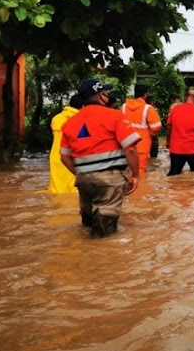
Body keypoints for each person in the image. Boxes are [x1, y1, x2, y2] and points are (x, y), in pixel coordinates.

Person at [60, 79, 141, 238]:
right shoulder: (115, 116)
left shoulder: (70, 122)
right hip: (108, 180)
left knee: (87, 227)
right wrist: (136, 176)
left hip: (83, 180)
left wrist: (80, 173)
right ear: (103, 95)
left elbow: (64, 157)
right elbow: (130, 148)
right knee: (104, 235)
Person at [121, 84, 162, 173]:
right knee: (139, 171)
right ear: (145, 94)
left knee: (127, 170)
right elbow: (156, 126)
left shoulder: (124, 106)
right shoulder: (148, 108)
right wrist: (151, 133)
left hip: (125, 144)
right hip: (142, 145)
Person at [166, 89, 194, 176]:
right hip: (193, 149)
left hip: (176, 149)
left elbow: (169, 127)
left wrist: (168, 141)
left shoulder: (175, 109)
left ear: (185, 97)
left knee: (173, 176)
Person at [48, 94, 84, 194]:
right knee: (74, 192)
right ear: (83, 106)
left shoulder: (56, 118)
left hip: (56, 157)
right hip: (72, 159)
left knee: (57, 190)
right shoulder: (80, 120)